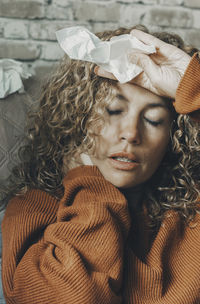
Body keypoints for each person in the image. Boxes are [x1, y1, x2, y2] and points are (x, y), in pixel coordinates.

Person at [1, 24, 200, 304]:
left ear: (173, 137)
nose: (130, 133)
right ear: (79, 117)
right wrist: (92, 187)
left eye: (154, 119)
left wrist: (194, 90)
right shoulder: (34, 207)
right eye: (114, 111)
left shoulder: (190, 213)